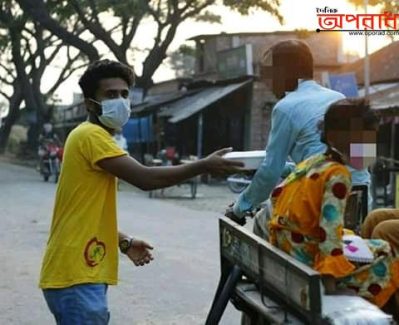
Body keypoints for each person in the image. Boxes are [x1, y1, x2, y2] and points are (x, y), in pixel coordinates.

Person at [39, 59, 244, 324]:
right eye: (111, 94)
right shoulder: (91, 135)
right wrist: (204, 165)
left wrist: (122, 241)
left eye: (125, 94)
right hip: (76, 275)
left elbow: (81, 214)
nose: (121, 101)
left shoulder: (89, 136)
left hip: (77, 272)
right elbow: (145, 178)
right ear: (90, 103)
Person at [268, 98, 399, 316]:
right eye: (361, 140)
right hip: (309, 258)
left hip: (290, 247)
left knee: (379, 245)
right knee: (390, 258)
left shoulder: (312, 162)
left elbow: (276, 196)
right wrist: (330, 287)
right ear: (334, 137)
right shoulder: (338, 176)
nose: (368, 148)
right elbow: (329, 234)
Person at [226, 40, 372, 229]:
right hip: (360, 202)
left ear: (285, 73)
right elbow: (346, 161)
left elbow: (270, 172)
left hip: (320, 203)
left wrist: (240, 208)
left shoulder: (285, 107)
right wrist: (288, 169)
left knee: (264, 223)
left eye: (270, 74)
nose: (267, 82)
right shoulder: (338, 98)